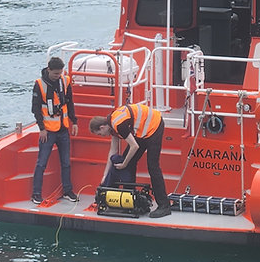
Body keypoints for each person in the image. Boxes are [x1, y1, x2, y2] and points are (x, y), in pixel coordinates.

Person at [89, 104, 171, 218]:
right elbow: (112, 151)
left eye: (100, 134)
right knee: (129, 161)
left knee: (153, 166)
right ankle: (129, 199)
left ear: (102, 127)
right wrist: (105, 174)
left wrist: (124, 164)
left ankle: (164, 206)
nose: (102, 136)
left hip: (154, 126)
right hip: (142, 130)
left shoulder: (118, 124)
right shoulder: (112, 125)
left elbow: (134, 147)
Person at [31, 56, 79, 204]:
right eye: (55, 74)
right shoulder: (39, 85)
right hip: (48, 131)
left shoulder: (65, 81)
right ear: (49, 70)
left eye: (60, 73)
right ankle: (36, 194)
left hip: (63, 128)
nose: (58, 76)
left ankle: (67, 191)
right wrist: (42, 129)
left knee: (66, 162)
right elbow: (36, 109)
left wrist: (74, 121)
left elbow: (69, 102)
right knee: (41, 163)